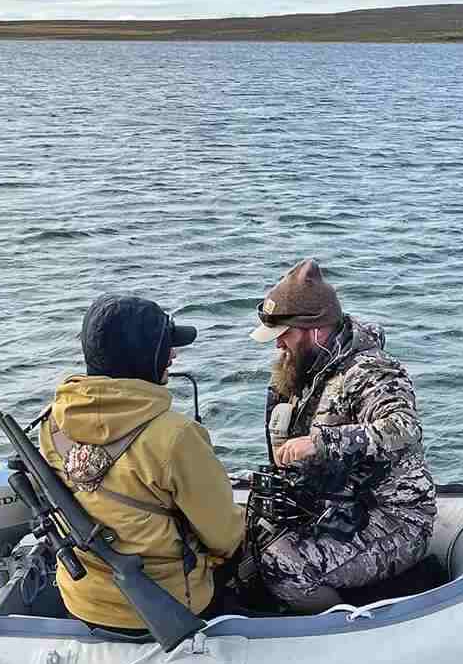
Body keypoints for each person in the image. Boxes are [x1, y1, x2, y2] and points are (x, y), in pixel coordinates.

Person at [39, 293, 244, 632]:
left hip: (80, 597)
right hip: (170, 605)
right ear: (145, 359)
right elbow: (224, 536)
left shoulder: (53, 422)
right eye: (166, 348)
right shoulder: (176, 436)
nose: (173, 356)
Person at [248, 258, 437, 612]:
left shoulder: (372, 371)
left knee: (284, 568)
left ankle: (352, 625)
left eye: (284, 336)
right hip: (334, 509)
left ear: (316, 331)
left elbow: (404, 428)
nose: (278, 346)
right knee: (250, 544)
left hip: (393, 518)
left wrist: (320, 443)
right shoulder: (309, 370)